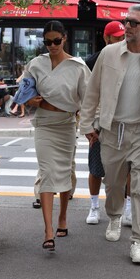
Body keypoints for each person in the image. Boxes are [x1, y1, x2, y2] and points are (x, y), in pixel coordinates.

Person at [80, 4, 140, 264]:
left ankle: (138, 242)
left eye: (134, 23)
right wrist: (88, 126)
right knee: (113, 184)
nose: (128, 26)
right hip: (112, 131)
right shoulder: (109, 54)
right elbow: (92, 92)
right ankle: (113, 217)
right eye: (126, 21)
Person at [23, 20, 90, 251]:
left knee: (65, 172)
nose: (52, 45)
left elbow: (89, 99)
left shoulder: (78, 66)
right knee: (47, 172)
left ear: (64, 39)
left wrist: (91, 127)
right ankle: (48, 230)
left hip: (66, 124)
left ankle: (62, 216)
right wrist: (30, 100)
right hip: (44, 123)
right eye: (48, 42)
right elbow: (24, 89)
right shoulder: (36, 63)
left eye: (56, 41)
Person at [85, 21, 132, 226]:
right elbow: (88, 95)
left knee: (128, 167)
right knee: (96, 167)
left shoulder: (133, 58)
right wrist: (88, 125)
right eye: (117, 37)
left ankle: (128, 207)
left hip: (126, 121)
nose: (122, 41)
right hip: (100, 121)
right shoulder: (93, 61)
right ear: (106, 38)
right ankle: (94, 206)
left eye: (124, 37)